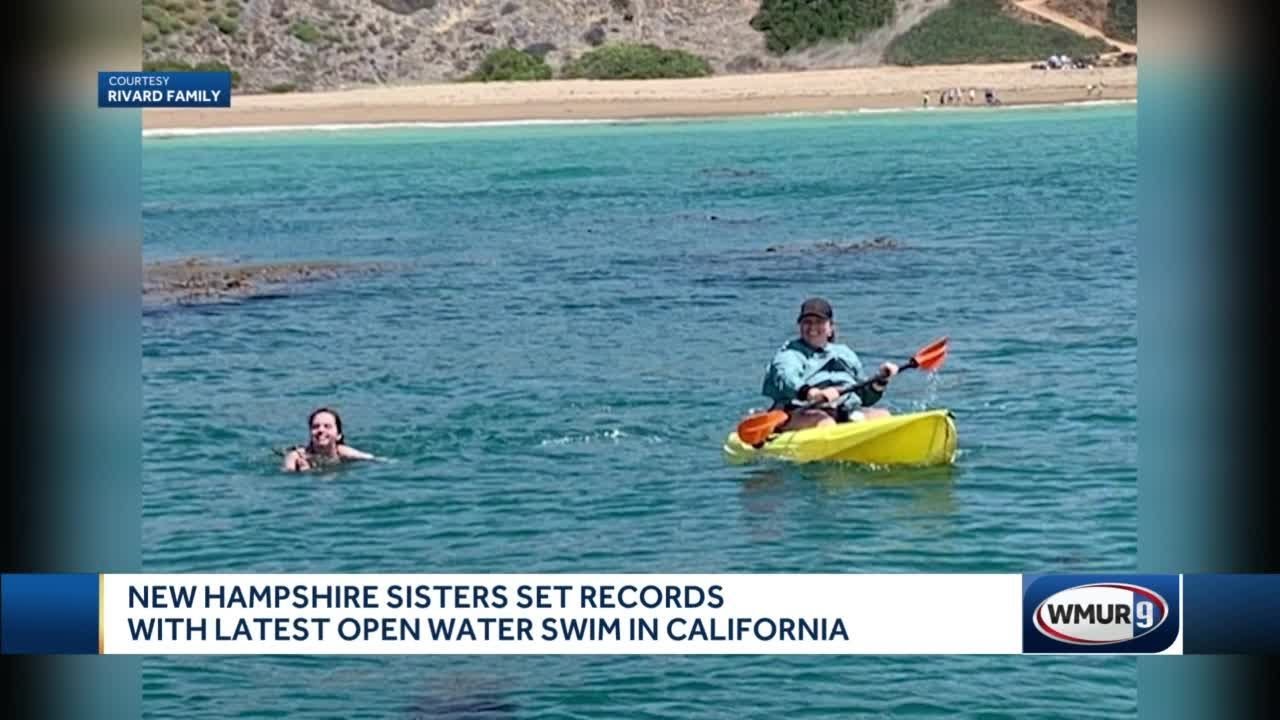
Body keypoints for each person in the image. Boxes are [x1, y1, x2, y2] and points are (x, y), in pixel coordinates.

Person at [761, 298, 899, 432]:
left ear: (830, 328)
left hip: (844, 411)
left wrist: (880, 381)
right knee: (825, 422)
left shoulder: (845, 353)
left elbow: (865, 398)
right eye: (807, 322)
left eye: (819, 322)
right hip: (801, 412)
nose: (812, 327)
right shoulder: (790, 354)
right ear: (800, 326)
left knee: (883, 416)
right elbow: (786, 377)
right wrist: (812, 393)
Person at [282, 407, 374, 472]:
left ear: (339, 435)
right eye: (315, 427)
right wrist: (305, 473)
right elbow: (287, 477)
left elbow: (376, 460)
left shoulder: (344, 452)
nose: (321, 430)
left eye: (327, 426)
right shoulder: (296, 456)